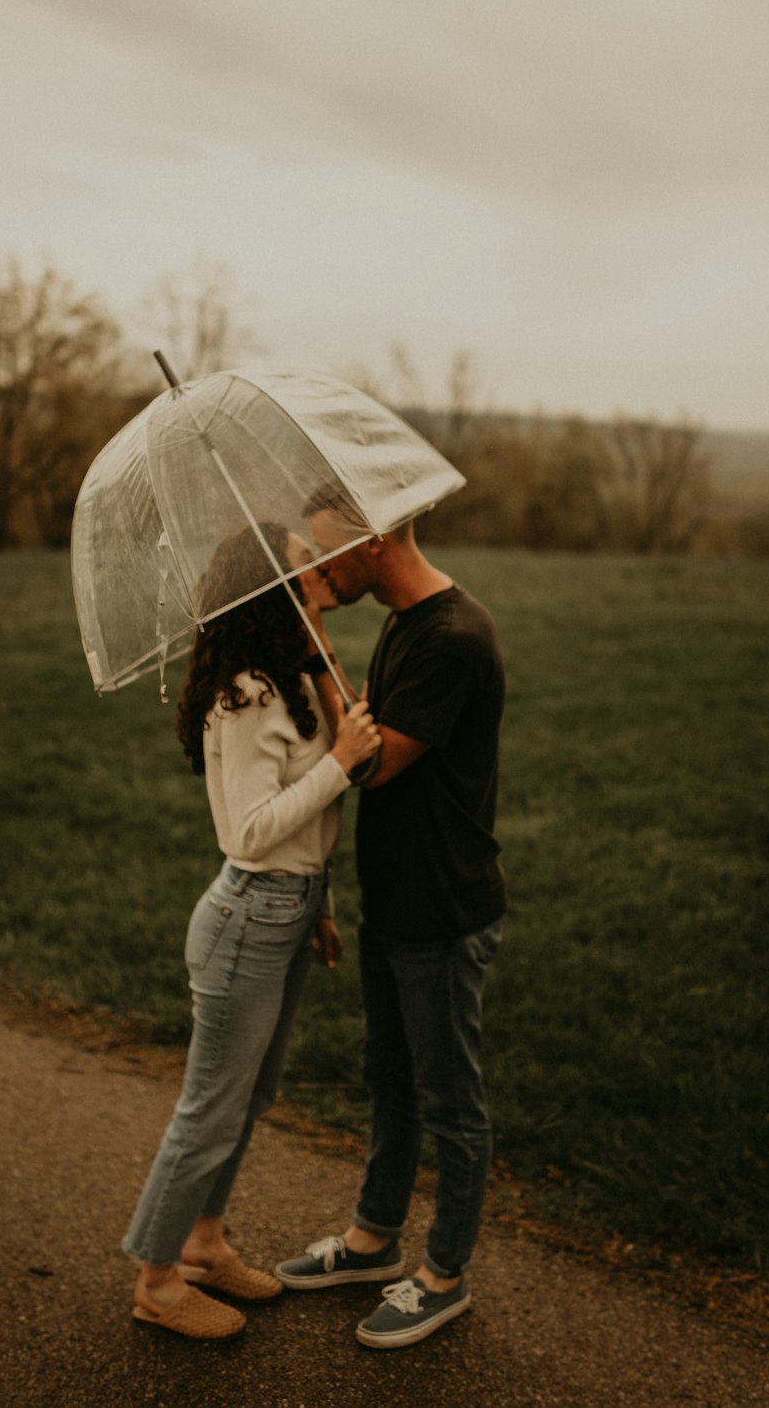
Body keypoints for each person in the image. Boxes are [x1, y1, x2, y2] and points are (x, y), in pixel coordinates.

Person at [122, 522, 381, 1340]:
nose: (320, 570)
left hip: (289, 908)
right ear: (270, 584)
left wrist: (323, 905)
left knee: (250, 1097)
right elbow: (249, 831)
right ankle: (157, 1282)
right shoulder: (245, 694)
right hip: (246, 915)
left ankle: (204, 1242)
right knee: (209, 1109)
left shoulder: (291, 677)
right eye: (305, 562)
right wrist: (341, 760)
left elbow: (309, 826)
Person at [275, 511, 506, 1350]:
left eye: (324, 542)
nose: (315, 562)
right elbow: (360, 733)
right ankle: (374, 1240)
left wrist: (311, 643)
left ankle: (444, 1276)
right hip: (396, 897)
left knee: (448, 1097)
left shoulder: (454, 637)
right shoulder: (408, 624)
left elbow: (370, 761)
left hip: (441, 908)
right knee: (390, 1076)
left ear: (372, 538)